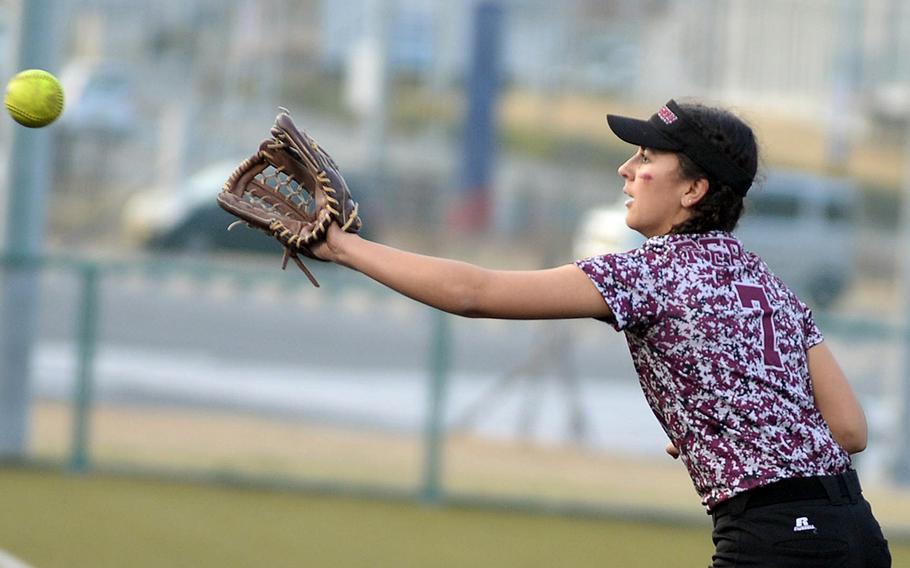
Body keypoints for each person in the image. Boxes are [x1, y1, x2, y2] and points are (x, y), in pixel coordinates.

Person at [310, 98, 891, 567]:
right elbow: (849, 428)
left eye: (647, 157)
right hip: (857, 532)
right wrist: (720, 427)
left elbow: (474, 294)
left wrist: (345, 246)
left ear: (694, 191)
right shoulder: (769, 285)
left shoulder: (650, 272)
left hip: (776, 540)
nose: (627, 169)